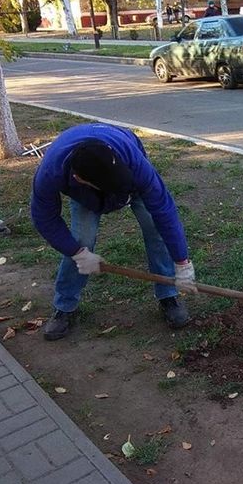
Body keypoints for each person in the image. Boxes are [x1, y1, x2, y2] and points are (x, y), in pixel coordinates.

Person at [30, 123, 196, 341]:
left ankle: (168, 295)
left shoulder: (131, 161)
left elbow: (163, 209)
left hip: (129, 177)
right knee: (82, 239)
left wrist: (181, 262)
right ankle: (65, 306)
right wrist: (77, 252)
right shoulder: (52, 171)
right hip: (85, 192)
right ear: (80, 179)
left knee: (155, 227)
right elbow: (44, 218)